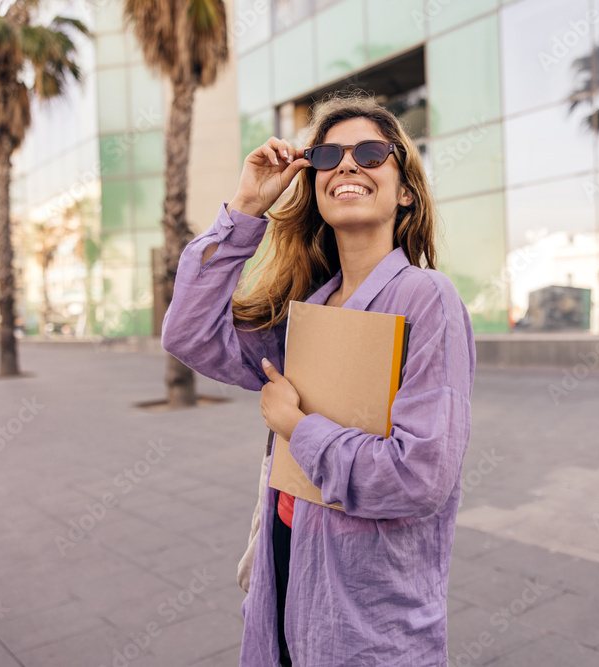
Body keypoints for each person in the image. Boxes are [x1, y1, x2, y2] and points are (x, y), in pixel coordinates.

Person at [162, 95, 476, 666]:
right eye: (330, 153)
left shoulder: (427, 298)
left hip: (367, 624)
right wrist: (247, 205)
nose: (348, 164)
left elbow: (419, 476)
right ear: (314, 183)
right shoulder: (308, 307)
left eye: (372, 152)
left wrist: (297, 427)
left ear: (405, 188)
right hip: (285, 592)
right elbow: (190, 336)